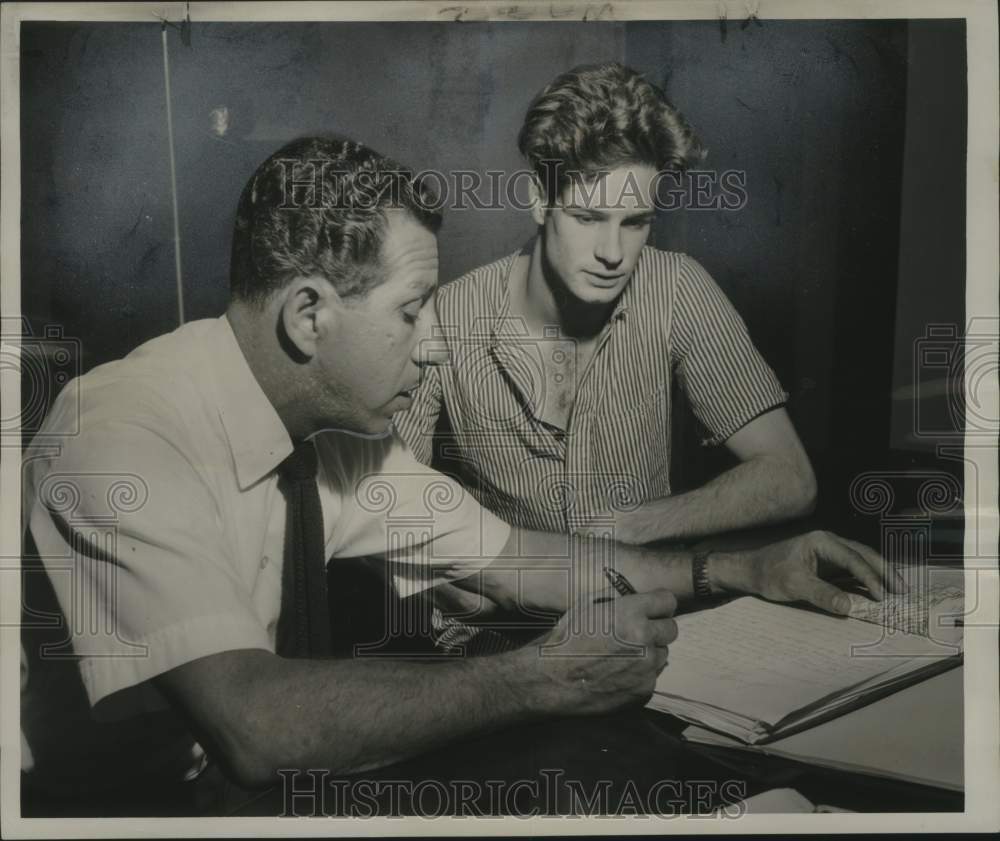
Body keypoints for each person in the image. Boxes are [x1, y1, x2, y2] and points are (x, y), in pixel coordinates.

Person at [21, 135, 901, 815]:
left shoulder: (326, 438)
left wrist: (737, 568)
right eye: (410, 312)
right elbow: (255, 725)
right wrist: (534, 676)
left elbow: (521, 558)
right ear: (308, 316)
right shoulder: (124, 435)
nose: (434, 340)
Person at [394, 62, 817, 544]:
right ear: (539, 199)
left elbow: (791, 478)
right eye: (588, 217)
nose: (612, 254)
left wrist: (633, 524)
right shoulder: (445, 318)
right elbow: (380, 503)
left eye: (635, 222)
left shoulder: (678, 289)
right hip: (504, 609)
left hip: (645, 600)